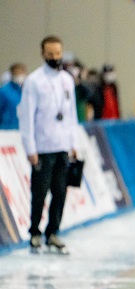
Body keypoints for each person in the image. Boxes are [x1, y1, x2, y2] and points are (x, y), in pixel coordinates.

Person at [17, 35, 78, 254]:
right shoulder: (34, 81)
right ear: (43, 54)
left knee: (60, 193)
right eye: (50, 54)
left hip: (62, 146)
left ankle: (53, 232)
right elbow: (27, 117)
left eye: (58, 53)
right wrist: (30, 148)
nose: (55, 57)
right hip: (42, 148)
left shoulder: (67, 80)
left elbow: (71, 114)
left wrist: (73, 142)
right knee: (40, 193)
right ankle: (35, 232)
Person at [0, 63, 26, 129]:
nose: (19, 75)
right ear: (12, 74)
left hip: (23, 128)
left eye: (21, 72)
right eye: (17, 73)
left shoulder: (28, 90)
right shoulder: (4, 91)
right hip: (7, 128)